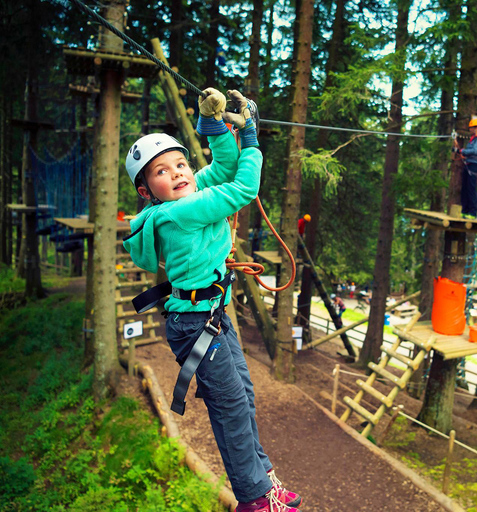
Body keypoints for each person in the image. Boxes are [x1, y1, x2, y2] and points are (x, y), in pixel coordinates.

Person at [123, 88, 301, 512]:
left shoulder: (184, 194)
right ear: (147, 191)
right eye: (163, 172)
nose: (180, 173)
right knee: (232, 407)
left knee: (243, 396)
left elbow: (222, 166)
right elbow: (243, 186)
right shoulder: (177, 211)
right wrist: (252, 136)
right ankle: (254, 500)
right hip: (196, 322)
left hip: (211, 315)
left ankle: (262, 478)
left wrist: (212, 125)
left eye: (181, 163)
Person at [453, 116, 477, 218]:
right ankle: (465, 210)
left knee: (471, 188)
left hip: (474, 166)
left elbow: (475, 151)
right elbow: (469, 152)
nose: (470, 129)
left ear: (476, 128)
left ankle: (472, 212)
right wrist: (461, 152)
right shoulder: (473, 139)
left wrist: (462, 151)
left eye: (471, 128)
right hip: (468, 164)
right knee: (465, 188)